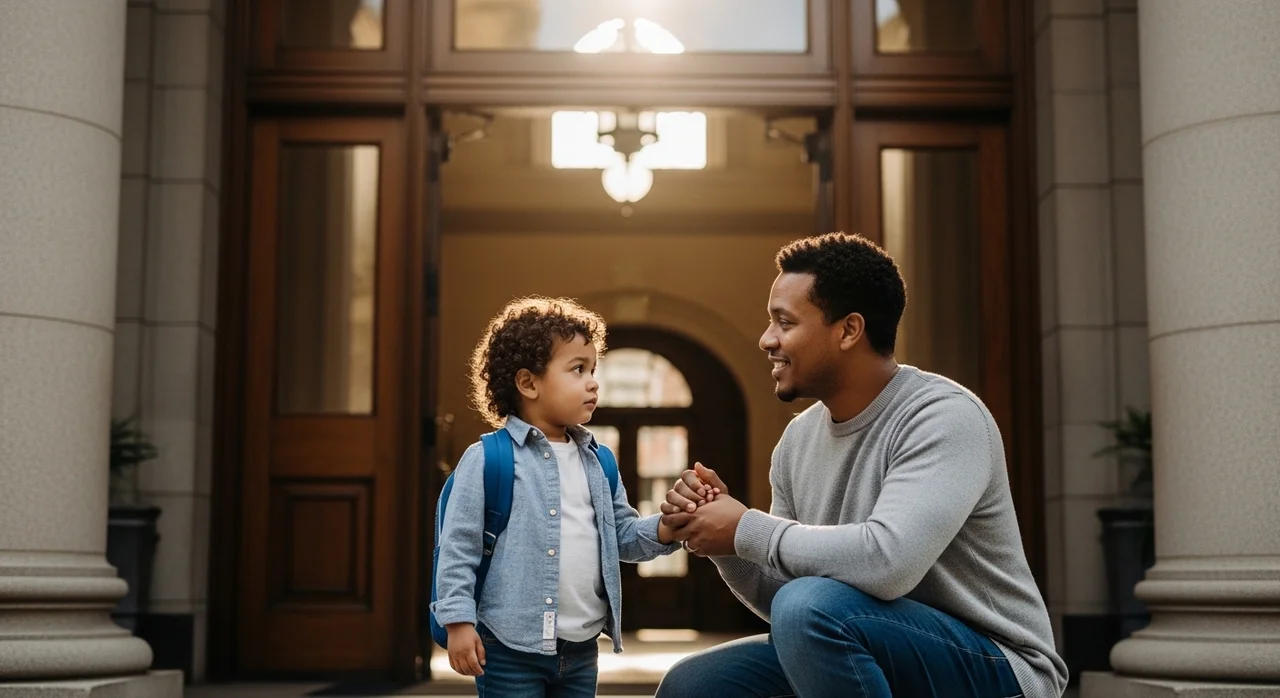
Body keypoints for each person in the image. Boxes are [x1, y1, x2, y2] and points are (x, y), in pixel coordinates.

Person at [656, 233, 1068, 698]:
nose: (766, 339)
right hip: (877, 646)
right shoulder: (798, 440)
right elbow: (787, 605)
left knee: (809, 605)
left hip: (997, 665)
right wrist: (723, 541)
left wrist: (747, 528)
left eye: (784, 322)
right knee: (695, 686)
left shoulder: (942, 416)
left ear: (849, 330)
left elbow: (887, 563)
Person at [431, 297, 680, 697]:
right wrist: (458, 624)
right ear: (528, 383)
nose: (593, 381)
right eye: (578, 369)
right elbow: (458, 548)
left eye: (594, 369)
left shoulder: (600, 461)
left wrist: (668, 527)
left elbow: (622, 534)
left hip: (581, 648)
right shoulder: (488, 459)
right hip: (508, 647)